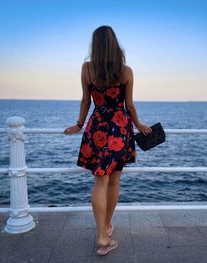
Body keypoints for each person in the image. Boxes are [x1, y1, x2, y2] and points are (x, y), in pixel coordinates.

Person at [63, 25, 152, 256]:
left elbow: (85, 100)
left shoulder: (87, 69)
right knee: (113, 182)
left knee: (99, 182)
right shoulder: (126, 71)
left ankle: (103, 231)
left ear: (95, 45)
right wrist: (139, 125)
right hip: (120, 128)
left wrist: (79, 125)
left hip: (97, 127)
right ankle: (103, 235)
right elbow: (129, 105)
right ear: (114, 44)